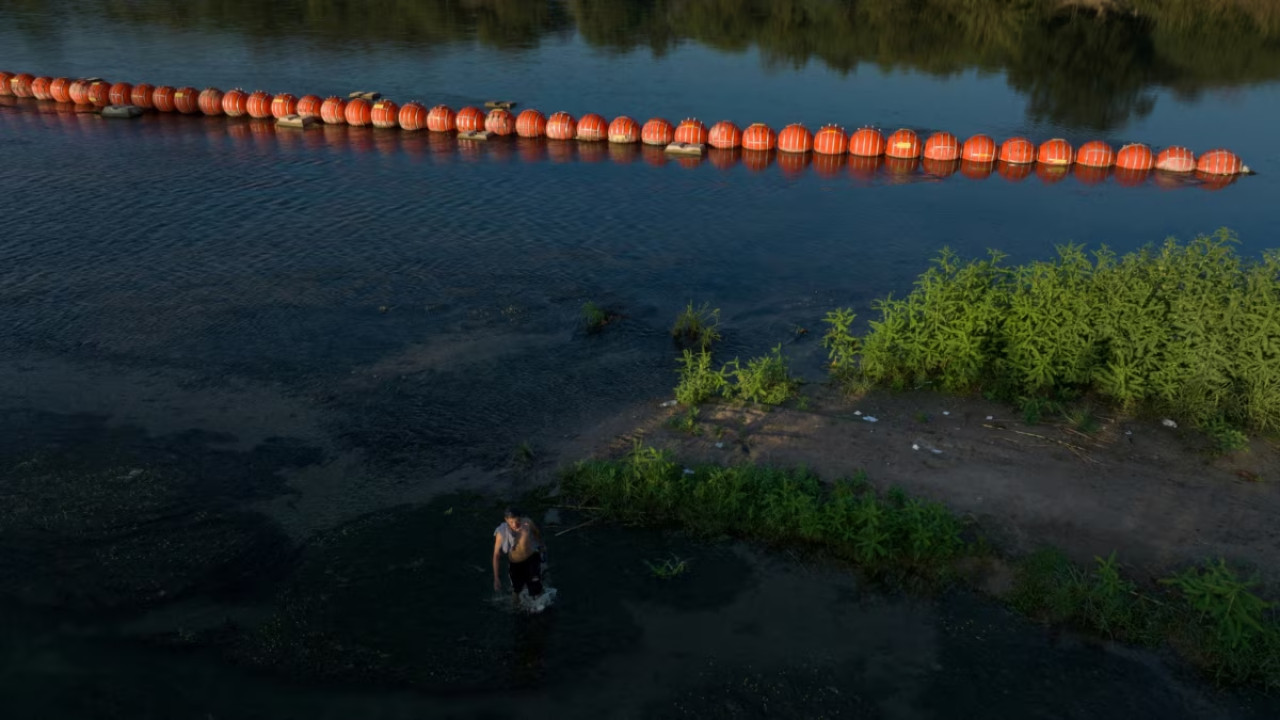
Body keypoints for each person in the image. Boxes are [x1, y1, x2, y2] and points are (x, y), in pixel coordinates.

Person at [492, 507, 546, 601]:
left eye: (517, 521)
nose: (514, 525)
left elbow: (536, 533)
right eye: (511, 522)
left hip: (532, 558)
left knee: (535, 585)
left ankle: (539, 605)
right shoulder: (501, 533)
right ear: (506, 520)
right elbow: (496, 555)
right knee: (517, 590)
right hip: (516, 564)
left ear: (520, 518)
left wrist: (542, 546)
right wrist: (496, 578)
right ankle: (516, 608)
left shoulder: (527, 523)